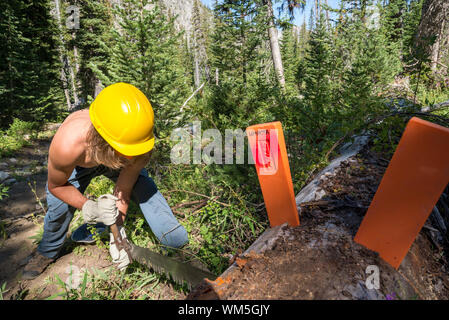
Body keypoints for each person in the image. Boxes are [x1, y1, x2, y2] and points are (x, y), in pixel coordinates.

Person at [22, 82, 188, 279]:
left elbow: (124, 188)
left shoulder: (138, 142)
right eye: (127, 152)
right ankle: (47, 251)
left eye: (133, 152)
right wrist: (89, 207)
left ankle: (174, 240)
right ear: (103, 139)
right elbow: (56, 186)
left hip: (107, 153)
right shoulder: (67, 145)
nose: (131, 157)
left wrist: (116, 230)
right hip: (81, 161)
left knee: (144, 188)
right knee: (59, 208)